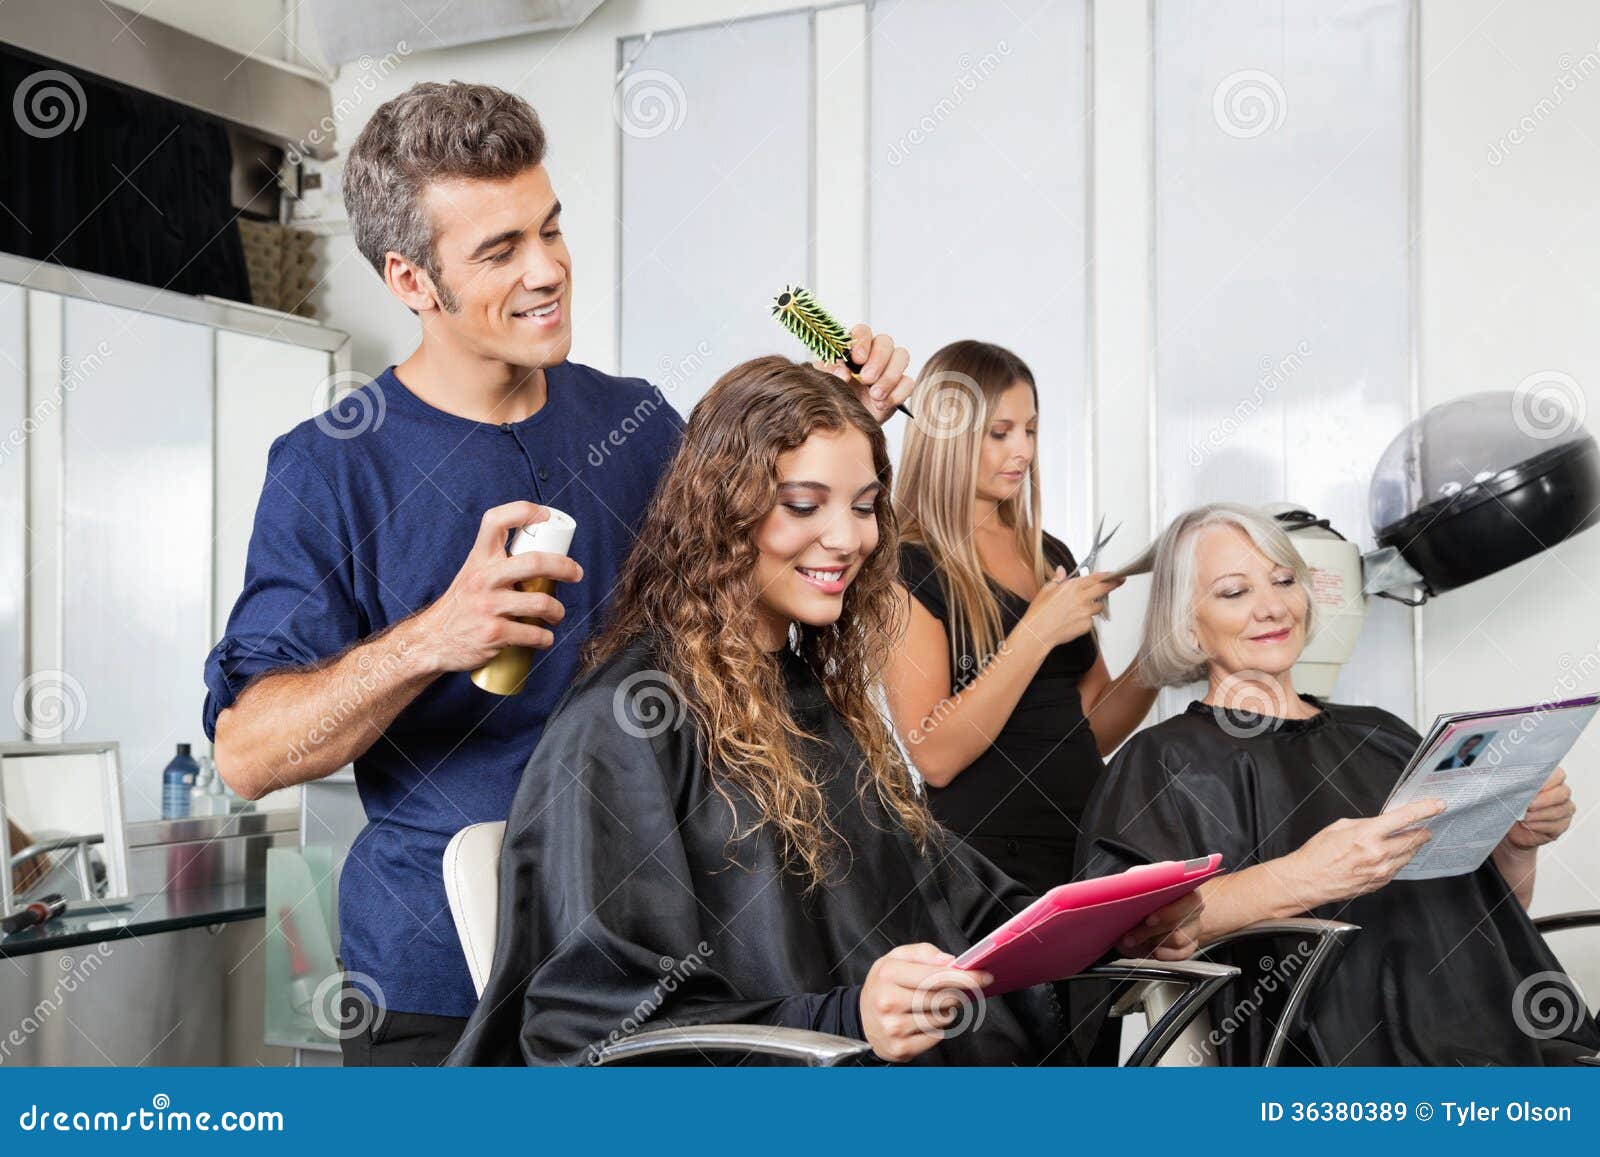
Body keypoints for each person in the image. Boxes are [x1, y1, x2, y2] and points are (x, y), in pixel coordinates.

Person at [201, 82, 914, 1066]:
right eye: (499, 250)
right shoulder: (331, 466)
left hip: (650, 956)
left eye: (550, 228)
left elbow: (755, 597)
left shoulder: (636, 421)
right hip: (440, 982)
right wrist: (432, 639)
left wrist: (832, 428)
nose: (547, 270)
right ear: (411, 280)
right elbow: (249, 752)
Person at [448, 358, 1203, 1066]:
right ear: (722, 509)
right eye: (805, 504)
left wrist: (1100, 930)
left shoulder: (815, 698)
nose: (849, 538)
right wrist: (848, 1020)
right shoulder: (628, 721)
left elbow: (952, 901)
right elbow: (591, 1027)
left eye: (867, 506)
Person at [1076, 502, 1598, 1065]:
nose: (1273, 607)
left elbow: (1487, 923)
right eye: (1234, 592)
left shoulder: (1383, 734)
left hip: (1503, 1042)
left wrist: (1517, 848)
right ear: (1187, 627)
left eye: (1284, 580)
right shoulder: (1162, 761)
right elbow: (1137, 936)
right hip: (1334, 1062)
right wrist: (1305, 877)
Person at [885, 341, 1155, 894]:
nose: (1024, 450)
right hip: (983, 869)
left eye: (1030, 430)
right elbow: (933, 756)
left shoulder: (1047, 552)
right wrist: (1035, 632)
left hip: (1086, 847)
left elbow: (1093, 726)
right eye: (1001, 432)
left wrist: (1161, 661)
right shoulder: (906, 565)